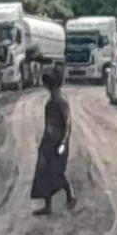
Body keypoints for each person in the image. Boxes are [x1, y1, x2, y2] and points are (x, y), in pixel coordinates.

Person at [31, 66, 76, 215]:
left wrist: (64, 142)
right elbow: (48, 125)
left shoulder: (61, 101)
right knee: (44, 173)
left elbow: (68, 122)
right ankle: (47, 205)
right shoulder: (51, 101)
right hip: (49, 141)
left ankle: (70, 193)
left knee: (56, 172)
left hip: (58, 142)